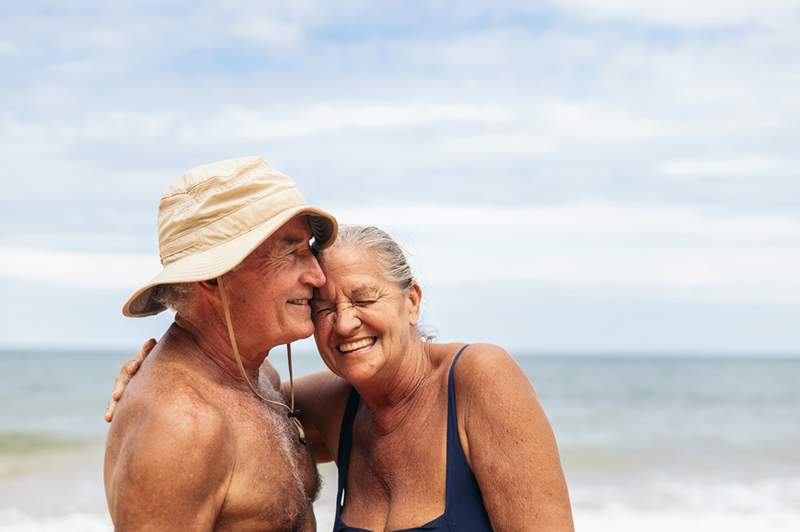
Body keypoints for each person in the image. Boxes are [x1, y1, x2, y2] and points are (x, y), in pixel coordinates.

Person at [109, 224, 575, 530]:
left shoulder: (476, 379)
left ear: (411, 301)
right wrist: (156, 371)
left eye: (364, 298)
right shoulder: (334, 406)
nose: (344, 322)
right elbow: (229, 401)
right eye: (323, 307)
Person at [104, 155, 338, 531]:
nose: (317, 275)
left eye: (310, 250)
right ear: (213, 279)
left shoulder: (260, 379)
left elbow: (373, 405)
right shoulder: (182, 425)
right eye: (291, 252)